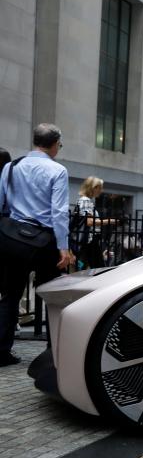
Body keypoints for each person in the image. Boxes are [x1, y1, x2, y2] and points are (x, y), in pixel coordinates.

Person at [0, 124, 74, 366]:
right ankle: (55, 352)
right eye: (59, 145)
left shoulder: (11, 167)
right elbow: (59, 212)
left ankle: (1, 351)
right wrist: (64, 247)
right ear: (54, 144)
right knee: (54, 298)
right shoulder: (58, 170)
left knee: (10, 296)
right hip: (45, 243)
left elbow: (2, 205)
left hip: (13, 241)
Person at [74, 176, 116, 269]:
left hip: (89, 240)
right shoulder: (86, 201)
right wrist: (109, 221)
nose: (101, 191)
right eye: (99, 188)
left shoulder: (84, 200)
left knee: (95, 267)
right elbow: (89, 222)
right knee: (99, 268)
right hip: (90, 240)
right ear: (93, 188)